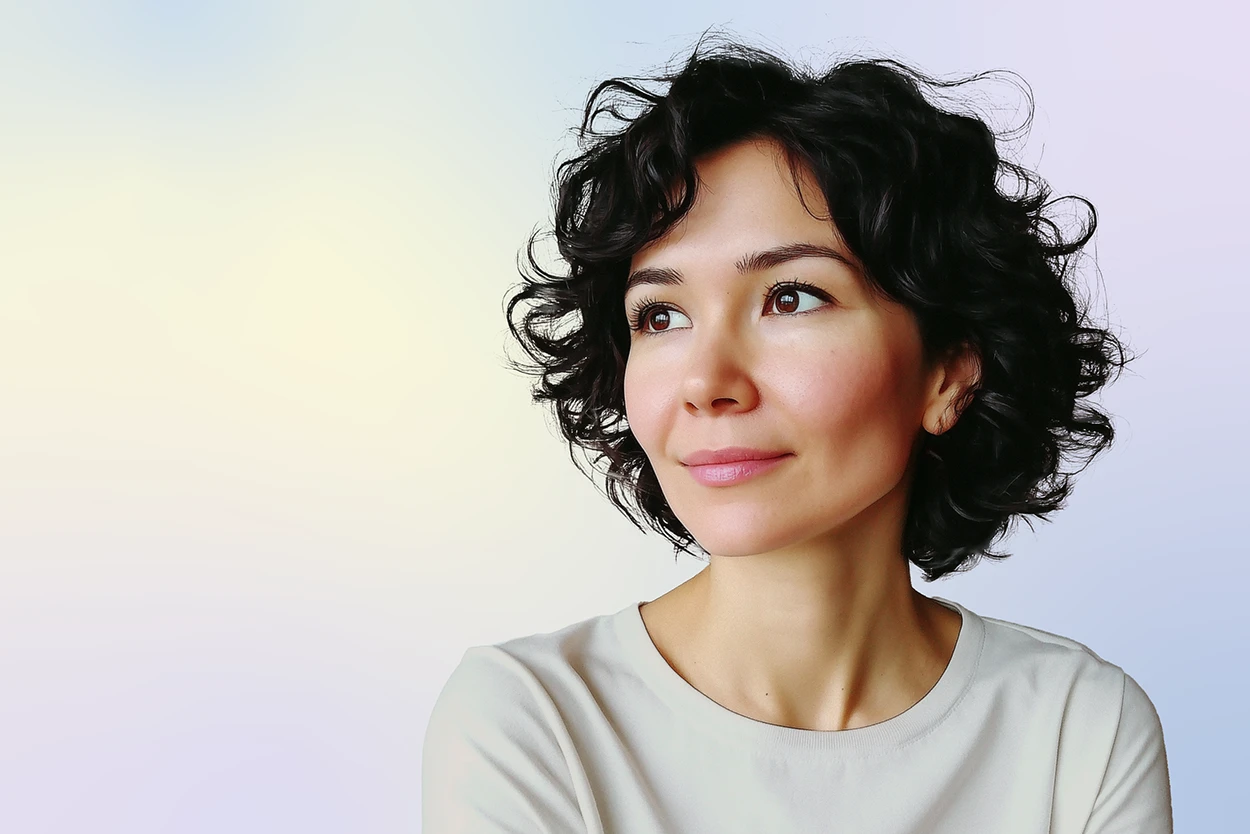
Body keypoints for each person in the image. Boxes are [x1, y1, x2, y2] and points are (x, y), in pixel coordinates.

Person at [422, 32, 1172, 833]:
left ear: (948, 372)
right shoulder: (532, 722)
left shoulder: (1075, 731)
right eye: (661, 314)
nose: (707, 383)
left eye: (792, 297)